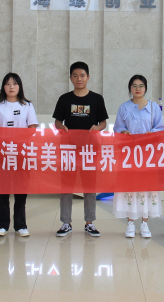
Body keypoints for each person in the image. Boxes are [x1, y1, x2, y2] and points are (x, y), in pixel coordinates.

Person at [52, 61, 109, 237]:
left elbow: (103, 123)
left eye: (82, 75)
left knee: (89, 187)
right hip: (68, 149)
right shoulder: (64, 99)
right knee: (66, 187)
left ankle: (89, 223)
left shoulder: (97, 99)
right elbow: (57, 122)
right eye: (75, 75)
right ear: (70, 78)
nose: (79, 79)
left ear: (88, 77)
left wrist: (98, 128)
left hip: (90, 150)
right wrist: (61, 127)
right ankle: (66, 222)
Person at [0, 73, 38, 237]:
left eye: (14, 84)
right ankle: (1, 225)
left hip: (22, 153)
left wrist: (18, 140)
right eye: (7, 84)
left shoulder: (27, 106)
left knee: (21, 190)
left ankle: (20, 225)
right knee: (1, 190)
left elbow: (32, 128)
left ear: (19, 87)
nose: (11, 87)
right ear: (3, 87)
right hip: (2, 153)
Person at [113, 75, 164, 238]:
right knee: (130, 186)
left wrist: (152, 133)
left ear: (145, 88)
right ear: (130, 88)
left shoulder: (154, 107)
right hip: (129, 154)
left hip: (148, 154)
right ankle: (130, 222)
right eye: (134, 86)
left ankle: (144, 223)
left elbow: (160, 128)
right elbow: (117, 129)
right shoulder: (124, 107)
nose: (137, 89)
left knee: (146, 187)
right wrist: (123, 132)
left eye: (141, 86)